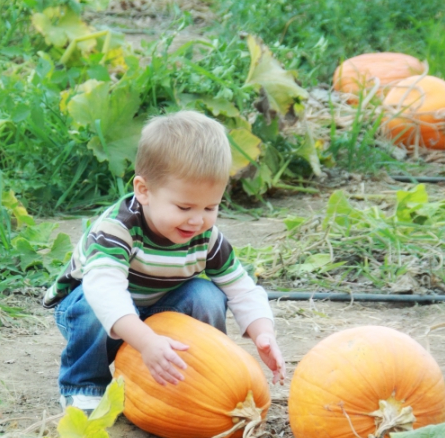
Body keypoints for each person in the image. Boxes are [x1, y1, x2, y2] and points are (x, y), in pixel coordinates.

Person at [44, 111, 286, 412]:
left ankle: (196, 376)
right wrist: (145, 342)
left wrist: (263, 333)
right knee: (92, 303)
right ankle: (84, 385)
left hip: (156, 311)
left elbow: (242, 290)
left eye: (211, 206)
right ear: (143, 191)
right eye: (184, 206)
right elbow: (104, 292)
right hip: (92, 314)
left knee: (207, 295)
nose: (197, 219)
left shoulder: (206, 237)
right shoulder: (117, 230)